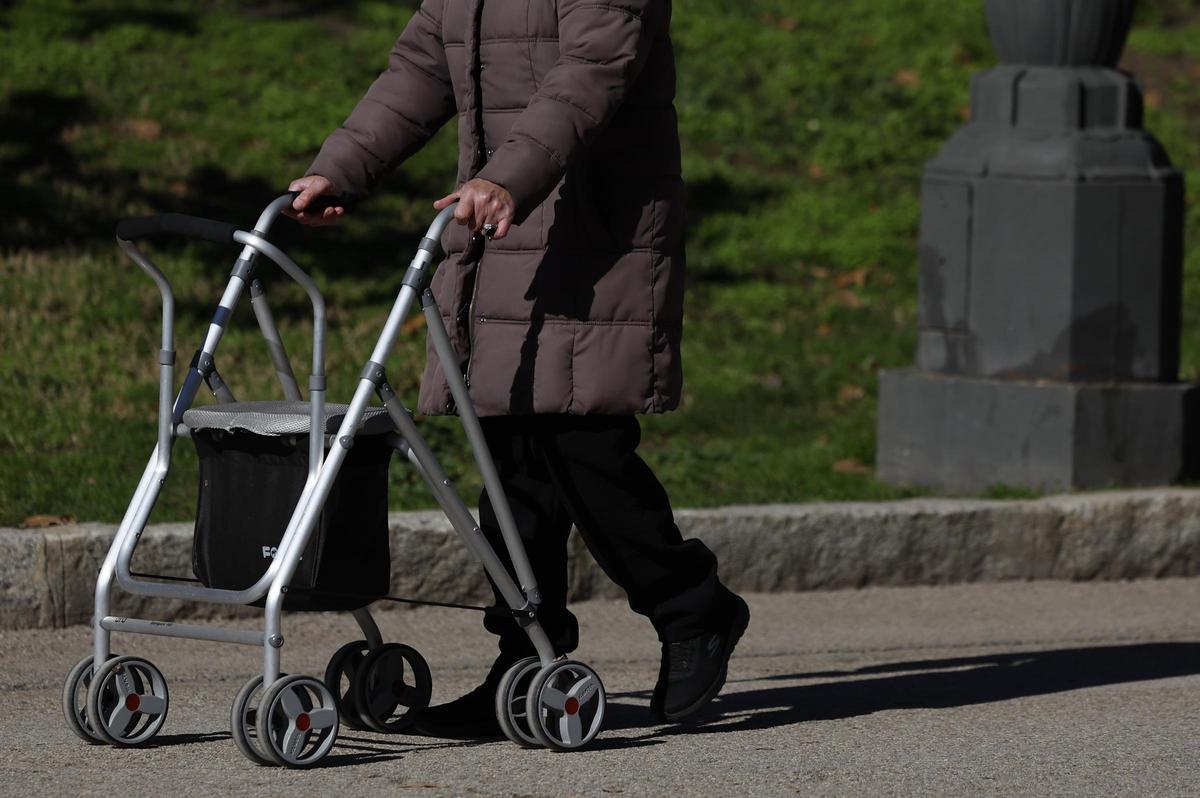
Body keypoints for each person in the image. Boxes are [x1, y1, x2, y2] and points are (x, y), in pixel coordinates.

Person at [287, 0, 749, 736]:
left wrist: (510, 174)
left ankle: (694, 609)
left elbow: (594, 71)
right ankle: (527, 656)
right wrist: (338, 170)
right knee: (507, 455)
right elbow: (419, 71)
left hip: (596, 230)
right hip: (503, 225)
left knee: (583, 446)